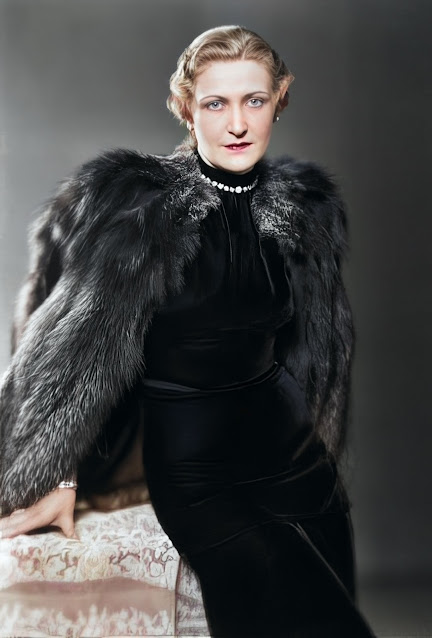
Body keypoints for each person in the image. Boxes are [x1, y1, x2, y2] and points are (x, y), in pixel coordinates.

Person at [0, 25, 376, 637]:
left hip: (298, 460)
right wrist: (57, 473)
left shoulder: (306, 209)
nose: (237, 123)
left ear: (280, 98)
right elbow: (64, 352)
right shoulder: (137, 210)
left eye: (254, 100)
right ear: (185, 106)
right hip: (200, 475)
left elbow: (310, 348)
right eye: (215, 103)